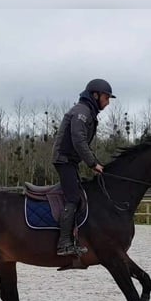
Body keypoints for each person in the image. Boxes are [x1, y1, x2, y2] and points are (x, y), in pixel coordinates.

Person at [51, 78, 115, 256]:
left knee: (79, 196)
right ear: (95, 95)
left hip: (70, 161)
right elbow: (78, 140)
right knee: (73, 198)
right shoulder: (82, 112)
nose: (107, 102)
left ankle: (75, 238)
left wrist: (95, 161)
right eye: (106, 97)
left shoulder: (87, 112)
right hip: (64, 160)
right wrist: (93, 163)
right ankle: (64, 243)